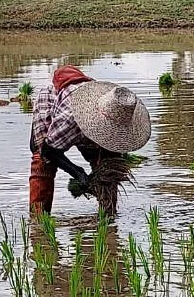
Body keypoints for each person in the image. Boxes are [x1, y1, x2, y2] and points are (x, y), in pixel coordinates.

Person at [29, 65, 151, 215]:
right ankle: (38, 221)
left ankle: (108, 219)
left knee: (108, 169)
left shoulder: (118, 109)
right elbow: (49, 151)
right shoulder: (70, 118)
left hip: (91, 116)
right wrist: (78, 173)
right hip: (56, 107)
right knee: (42, 162)